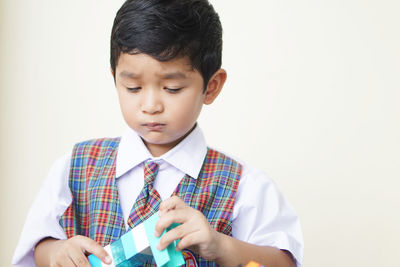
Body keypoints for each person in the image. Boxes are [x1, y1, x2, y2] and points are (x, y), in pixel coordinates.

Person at [12, 0, 303, 266]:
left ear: (211, 86)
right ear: (114, 78)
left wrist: (221, 246)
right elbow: (37, 244)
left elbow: (284, 261)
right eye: (133, 88)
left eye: (172, 88)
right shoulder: (73, 167)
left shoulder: (246, 187)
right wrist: (56, 253)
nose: (150, 106)